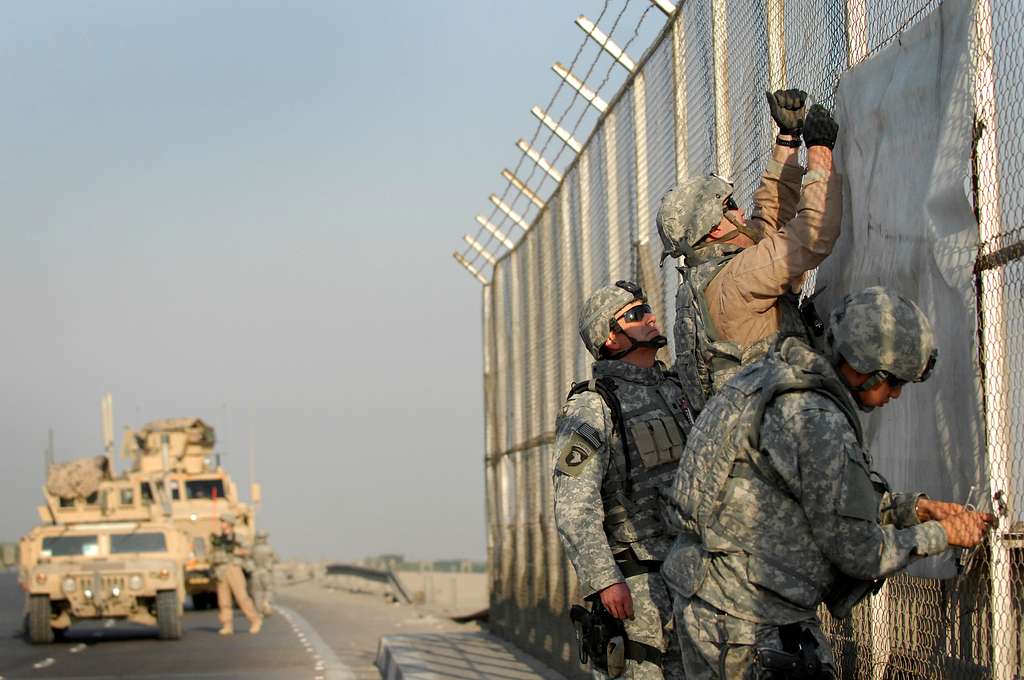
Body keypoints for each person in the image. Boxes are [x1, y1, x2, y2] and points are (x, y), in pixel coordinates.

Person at [659, 286, 994, 678]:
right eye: (894, 381)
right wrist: (943, 534)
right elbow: (860, 552)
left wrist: (914, 509)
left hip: (708, 598)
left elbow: (818, 495)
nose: (897, 395)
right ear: (863, 368)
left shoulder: (767, 378)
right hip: (750, 621)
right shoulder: (817, 420)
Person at [656, 89, 841, 411]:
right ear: (713, 228)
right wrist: (819, 151)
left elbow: (767, 223)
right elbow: (814, 234)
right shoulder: (735, 280)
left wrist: (788, 140)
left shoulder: (711, 278)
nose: (741, 213)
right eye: (730, 205)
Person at [553, 280, 696, 679]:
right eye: (634, 315)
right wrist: (604, 580)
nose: (650, 317)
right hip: (638, 589)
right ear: (610, 338)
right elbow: (573, 508)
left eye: (647, 308)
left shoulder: (678, 389)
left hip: (696, 576)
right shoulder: (593, 407)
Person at [210, 512, 262, 635]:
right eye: (221, 522)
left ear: (230, 524)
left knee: (241, 597)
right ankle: (227, 624)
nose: (222, 524)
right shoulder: (218, 539)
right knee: (223, 600)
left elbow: (248, 550)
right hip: (220, 571)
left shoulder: (238, 538)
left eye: (224, 522)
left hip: (234, 568)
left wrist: (236, 551)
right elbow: (212, 553)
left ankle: (255, 620)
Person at [249, 530, 278, 616]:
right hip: (266, 572)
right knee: (268, 589)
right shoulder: (269, 549)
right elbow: (276, 559)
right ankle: (266, 602)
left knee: (257, 592)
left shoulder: (253, 549)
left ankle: (259, 611)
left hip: (256, 572)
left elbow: (248, 560)